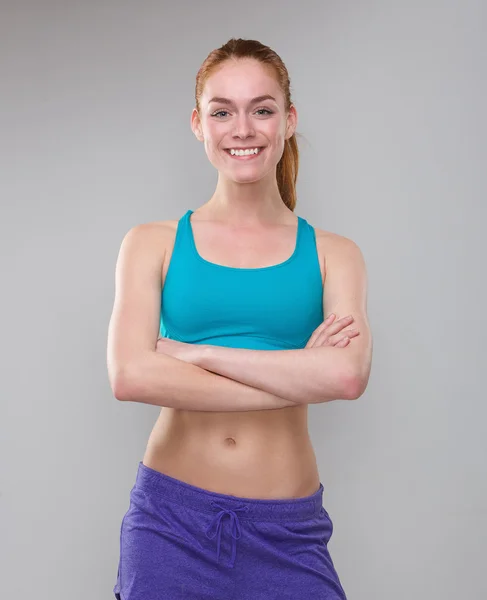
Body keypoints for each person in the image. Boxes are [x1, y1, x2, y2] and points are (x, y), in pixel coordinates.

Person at [107, 37, 372, 600]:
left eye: (263, 109)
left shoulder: (334, 253)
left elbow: (346, 377)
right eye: (222, 111)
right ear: (198, 124)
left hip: (288, 533)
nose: (242, 128)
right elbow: (131, 376)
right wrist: (299, 374)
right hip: (169, 525)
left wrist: (196, 354)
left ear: (289, 120)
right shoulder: (151, 243)